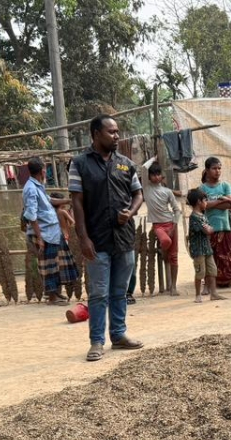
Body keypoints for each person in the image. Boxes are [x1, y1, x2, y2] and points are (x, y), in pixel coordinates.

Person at [70, 114, 145, 361]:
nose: (116, 136)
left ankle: (119, 335)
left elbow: (138, 194)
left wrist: (130, 213)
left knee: (120, 291)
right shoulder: (79, 164)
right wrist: (83, 238)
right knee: (99, 293)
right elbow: (77, 202)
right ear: (96, 134)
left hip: (124, 238)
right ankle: (96, 341)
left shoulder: (126, 164)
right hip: (97, 240)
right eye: (111, 132)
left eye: (117, 131)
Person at [20, 157, 77, 305]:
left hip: (51, 232)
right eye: (45, 169)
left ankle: (56, 293)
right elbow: (31, 216)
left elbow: (50, 200)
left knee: (56, 264)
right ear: (42, 171)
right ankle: (52, 297)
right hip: (44, 234)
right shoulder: (31, 189)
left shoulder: (38, 186)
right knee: (48, 265)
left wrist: (68, 201)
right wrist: (39, 238)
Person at [199, 157, 231, 293]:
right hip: (209, 229)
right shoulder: (202, 188)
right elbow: (203, 206)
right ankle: (207, 286)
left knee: (230, 255)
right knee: (209, 257)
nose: (217, 171)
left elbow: (229, 204)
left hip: (225, 227)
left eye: (219, 168)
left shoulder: (225, 186)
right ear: (207, 170)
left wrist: (213, 203)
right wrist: (220, 201)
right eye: (214, 168)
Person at [143, 162, 182, 296]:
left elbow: (177, 210)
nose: (156, 177)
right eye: (153, 174)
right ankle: (163, 251)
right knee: (166, 241)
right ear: (149, 176)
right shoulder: (146, 188)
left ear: (162, 176)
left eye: (158, 174)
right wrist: (153, 159)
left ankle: (173, 287)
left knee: (174, 257)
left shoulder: (167, 192)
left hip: (171, 224)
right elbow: (143, 168)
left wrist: (174, 226)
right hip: (158, 226)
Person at [186, 188, 223, 303]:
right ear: (199, 201)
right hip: (198, 250)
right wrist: (210, 229)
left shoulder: (202, 215)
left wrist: (210, 229)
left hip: (207, 248)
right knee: (200, 272)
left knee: (212, 270)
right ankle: (197, 295)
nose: (206, 203)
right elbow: (207, 230)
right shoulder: (194, 217)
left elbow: (209, 229)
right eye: (205, 200)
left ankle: (214, 293)